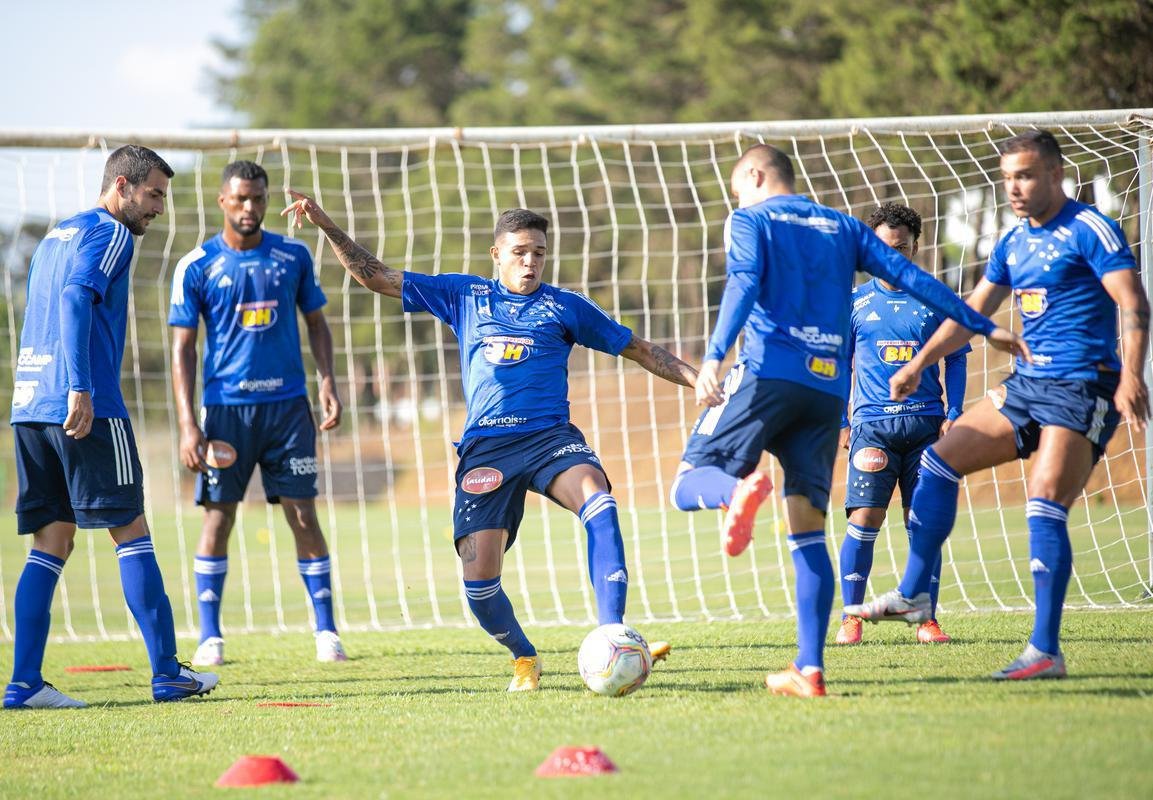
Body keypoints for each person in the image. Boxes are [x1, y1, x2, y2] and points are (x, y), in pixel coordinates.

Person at [281, 196, 695, 691]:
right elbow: (376, 276)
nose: (531, 261)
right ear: (496, 254)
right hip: (487, 448)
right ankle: (524, 656)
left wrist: (703, 382)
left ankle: (613, 632)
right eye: (520, 251)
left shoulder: (564, 306)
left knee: (599, 500)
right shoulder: (464, 295)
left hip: (549, 439)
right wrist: (326, 224)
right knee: (479, 585)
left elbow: (640, 349)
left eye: (539, 252)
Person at [669, 144, 1027, 697]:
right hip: (826, 393)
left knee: (689, 480)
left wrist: (715, 356)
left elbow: (742, 283)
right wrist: (981, 323)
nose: (736, 197)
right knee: (807, 532)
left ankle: (733, 492)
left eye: (738, 185)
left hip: (768, 373)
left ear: (757, 176)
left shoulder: (750, 219)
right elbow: (916, 281)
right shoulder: (842, 226)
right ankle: (808, 670)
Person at [846, 130, 1149, 680]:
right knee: (940, 460)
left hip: (1082, 385)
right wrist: (918, 365)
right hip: (1027, 384)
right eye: (1008, 177)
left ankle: (1045, 650)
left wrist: (1132, 374)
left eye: (1026, 175)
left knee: (1044, 502)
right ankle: (915, 592)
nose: (1014, 187)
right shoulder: (1013, 242)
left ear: (1056, 175)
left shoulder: (1089, 228)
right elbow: (969, 314)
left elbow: (1133, 301)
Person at [5, 145, 219, 708]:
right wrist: (81, 386)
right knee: (132, 531)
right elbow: (77, 297)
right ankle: (168, 673)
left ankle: (24, 683)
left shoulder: (57, 235)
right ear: (121, 186)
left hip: (30, 405)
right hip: (84, 406)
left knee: (50, 540)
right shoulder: (112, 233)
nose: (158, 209)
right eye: (152, 195)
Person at [169, 161, 347, 666]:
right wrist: (188, 423)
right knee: (218, 518)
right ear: (223, 200)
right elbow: (183, 349)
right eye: (241, 199)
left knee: (303, 514)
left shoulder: (293, 255)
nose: (250, 208)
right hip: (226, 413)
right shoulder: (197, 265)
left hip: (288, 410)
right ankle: (210, 637)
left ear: (267, 201)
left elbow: (317, 324)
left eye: (259, 199)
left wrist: (328, 381)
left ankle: (326, 632)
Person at [835, 202, 969, 646]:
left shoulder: (934, 295)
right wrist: (840, 421)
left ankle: (925, 619)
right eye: (884, 247)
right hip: (872, 426)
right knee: (866, 517)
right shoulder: (854, 302)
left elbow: (956, 358)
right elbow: (838, 365)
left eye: (902, 247)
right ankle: (851, 618)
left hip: (927, 426)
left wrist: (954, 413)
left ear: (916, 246)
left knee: (923, 524)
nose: (893, 255)